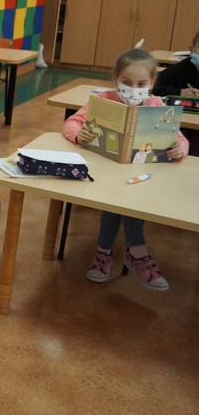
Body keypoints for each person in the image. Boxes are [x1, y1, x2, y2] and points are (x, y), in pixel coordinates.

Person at [62, 49, 189, 291]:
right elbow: (71, 122)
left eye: (141, 84)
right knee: (117, 194)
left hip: (142, 175)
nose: (133, 89)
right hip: (106, 170)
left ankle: (104, 251)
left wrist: (179, 149)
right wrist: (79, 135)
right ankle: (137, 253)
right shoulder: (104, 100)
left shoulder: (157, 105)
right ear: (116, 79)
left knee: (125, 194)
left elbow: (180, 139)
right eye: (127, 83)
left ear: (152, 82)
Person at [152, 29, 199, 156]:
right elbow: (153, 86)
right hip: (182, 125)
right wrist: (179, 92)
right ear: (191, 50)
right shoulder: (181, 69)